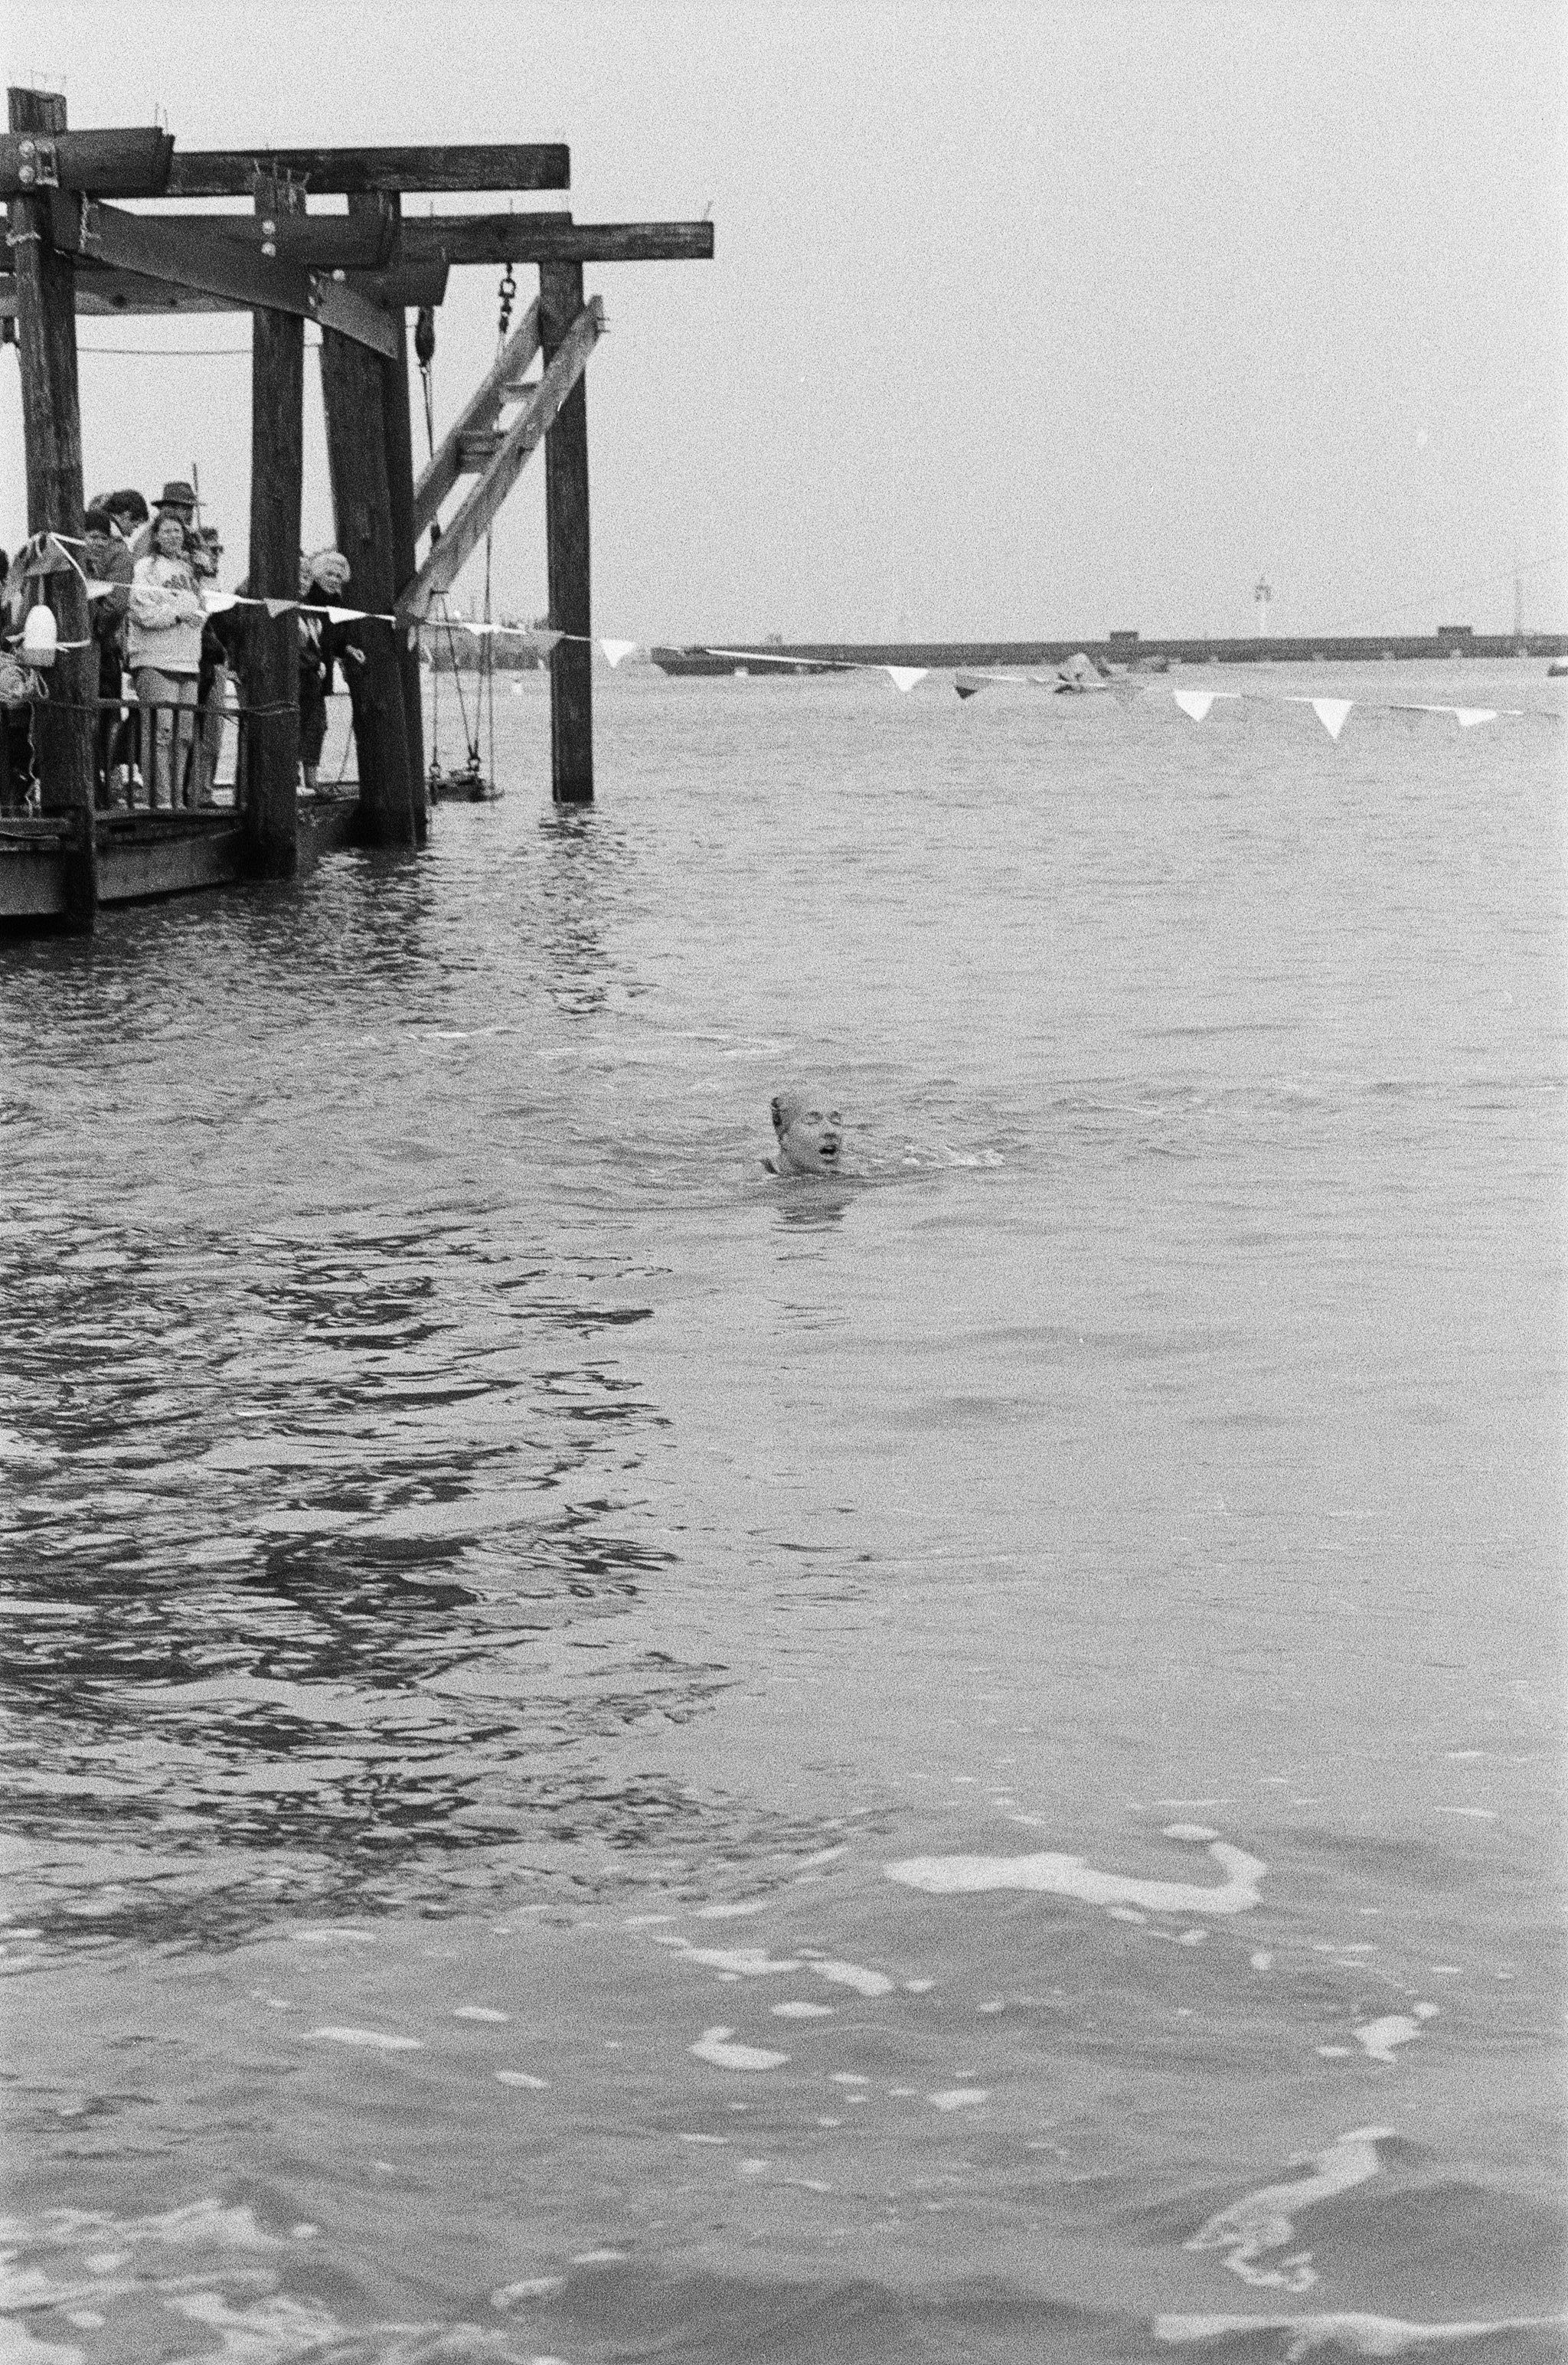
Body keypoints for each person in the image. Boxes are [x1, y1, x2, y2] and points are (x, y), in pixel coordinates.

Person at [128, 510, 204, 809]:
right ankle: (158, 799)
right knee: (161, 733)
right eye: (167, 531)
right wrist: (176, 614)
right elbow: (141, 612)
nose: (174, 536)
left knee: (184, 736)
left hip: (188, 659)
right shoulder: (145, 568)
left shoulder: (190, 570)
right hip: (155, 659)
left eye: (178, 530)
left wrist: (199, 614)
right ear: (156, 536)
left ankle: (177, 799)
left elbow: (202, 607)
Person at [81, 505, 134, 805]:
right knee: (89, 724)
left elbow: (115, 604)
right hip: (83, 652)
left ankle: (101, 788)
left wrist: (98, 629)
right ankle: (93, 790)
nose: (99, 543)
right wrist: (97, 627)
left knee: (102, 723)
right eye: (93, 536)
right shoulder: (74, 565)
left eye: (103, 538)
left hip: (100, 652)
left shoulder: (99, 568)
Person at [297, 548, 360, 792]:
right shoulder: (308, 598)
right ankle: (297, 778)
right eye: (329, 574)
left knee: (318, 725)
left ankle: (311, 778)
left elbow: (336, 639)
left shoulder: (337, 603)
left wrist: (348, 650)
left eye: (338, 576)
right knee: (303, 722)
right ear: (318, 575)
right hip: (304, 668)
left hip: (321, 673)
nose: (334, 580)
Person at [764, 1089, 844, 1174]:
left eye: (835, 1121)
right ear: (784, 1137)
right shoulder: (760, 1177)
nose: (831, 1130)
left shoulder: (847, 1173)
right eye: (812, 1121)